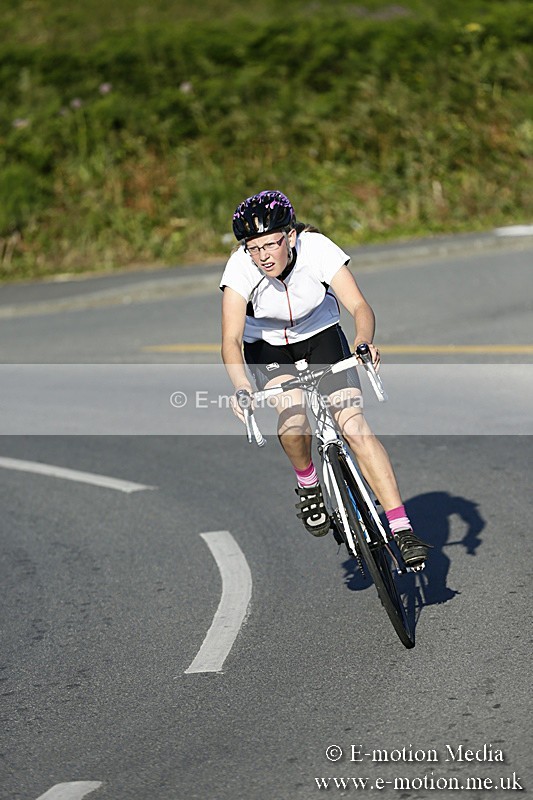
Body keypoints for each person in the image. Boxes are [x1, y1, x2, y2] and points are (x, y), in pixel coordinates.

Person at [220, 190, 429, 568]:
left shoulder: (317, 249)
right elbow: (231, 339)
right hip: (268, 349)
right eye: (254, 248)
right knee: (294, 418)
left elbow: (358, 305)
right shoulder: (239, 268)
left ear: (291, 236)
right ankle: (308, 483)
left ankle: (402, 529)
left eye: (271, 244)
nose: (263, 256)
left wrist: (363, 341)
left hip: (321, 335)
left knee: (355, 425)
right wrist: (240, 385)